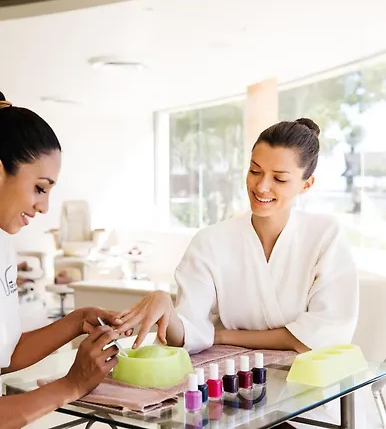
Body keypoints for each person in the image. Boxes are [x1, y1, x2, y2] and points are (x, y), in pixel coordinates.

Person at [0, 87, 121, 429]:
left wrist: (77, 320)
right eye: (40, 188)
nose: (44, 206)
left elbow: (1, 353)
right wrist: (72, 385)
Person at [115, 118, 359, 356]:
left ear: (306, 184)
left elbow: (323, 334)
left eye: (279, 179)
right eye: (255, 170)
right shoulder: (210, 241)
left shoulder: (324, 235)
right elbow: (189, 334)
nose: (261, 186)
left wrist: (222, 336)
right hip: (230, 375)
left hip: (305, 377)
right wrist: (165, 307)